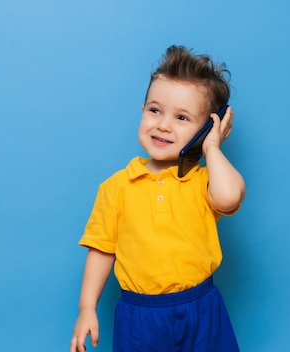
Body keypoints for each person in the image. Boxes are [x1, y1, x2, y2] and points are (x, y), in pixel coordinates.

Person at [70, 45, 246, 352]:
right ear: (142, 111)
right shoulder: (116, 187)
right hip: (140, 317)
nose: (163, 124)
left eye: (182, 117)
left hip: (201, 308)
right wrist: (87, 307)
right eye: (155, 110)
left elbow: (230, 197)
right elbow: (101, 250)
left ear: (207, 129)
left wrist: (212, 149)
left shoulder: (203, 181)